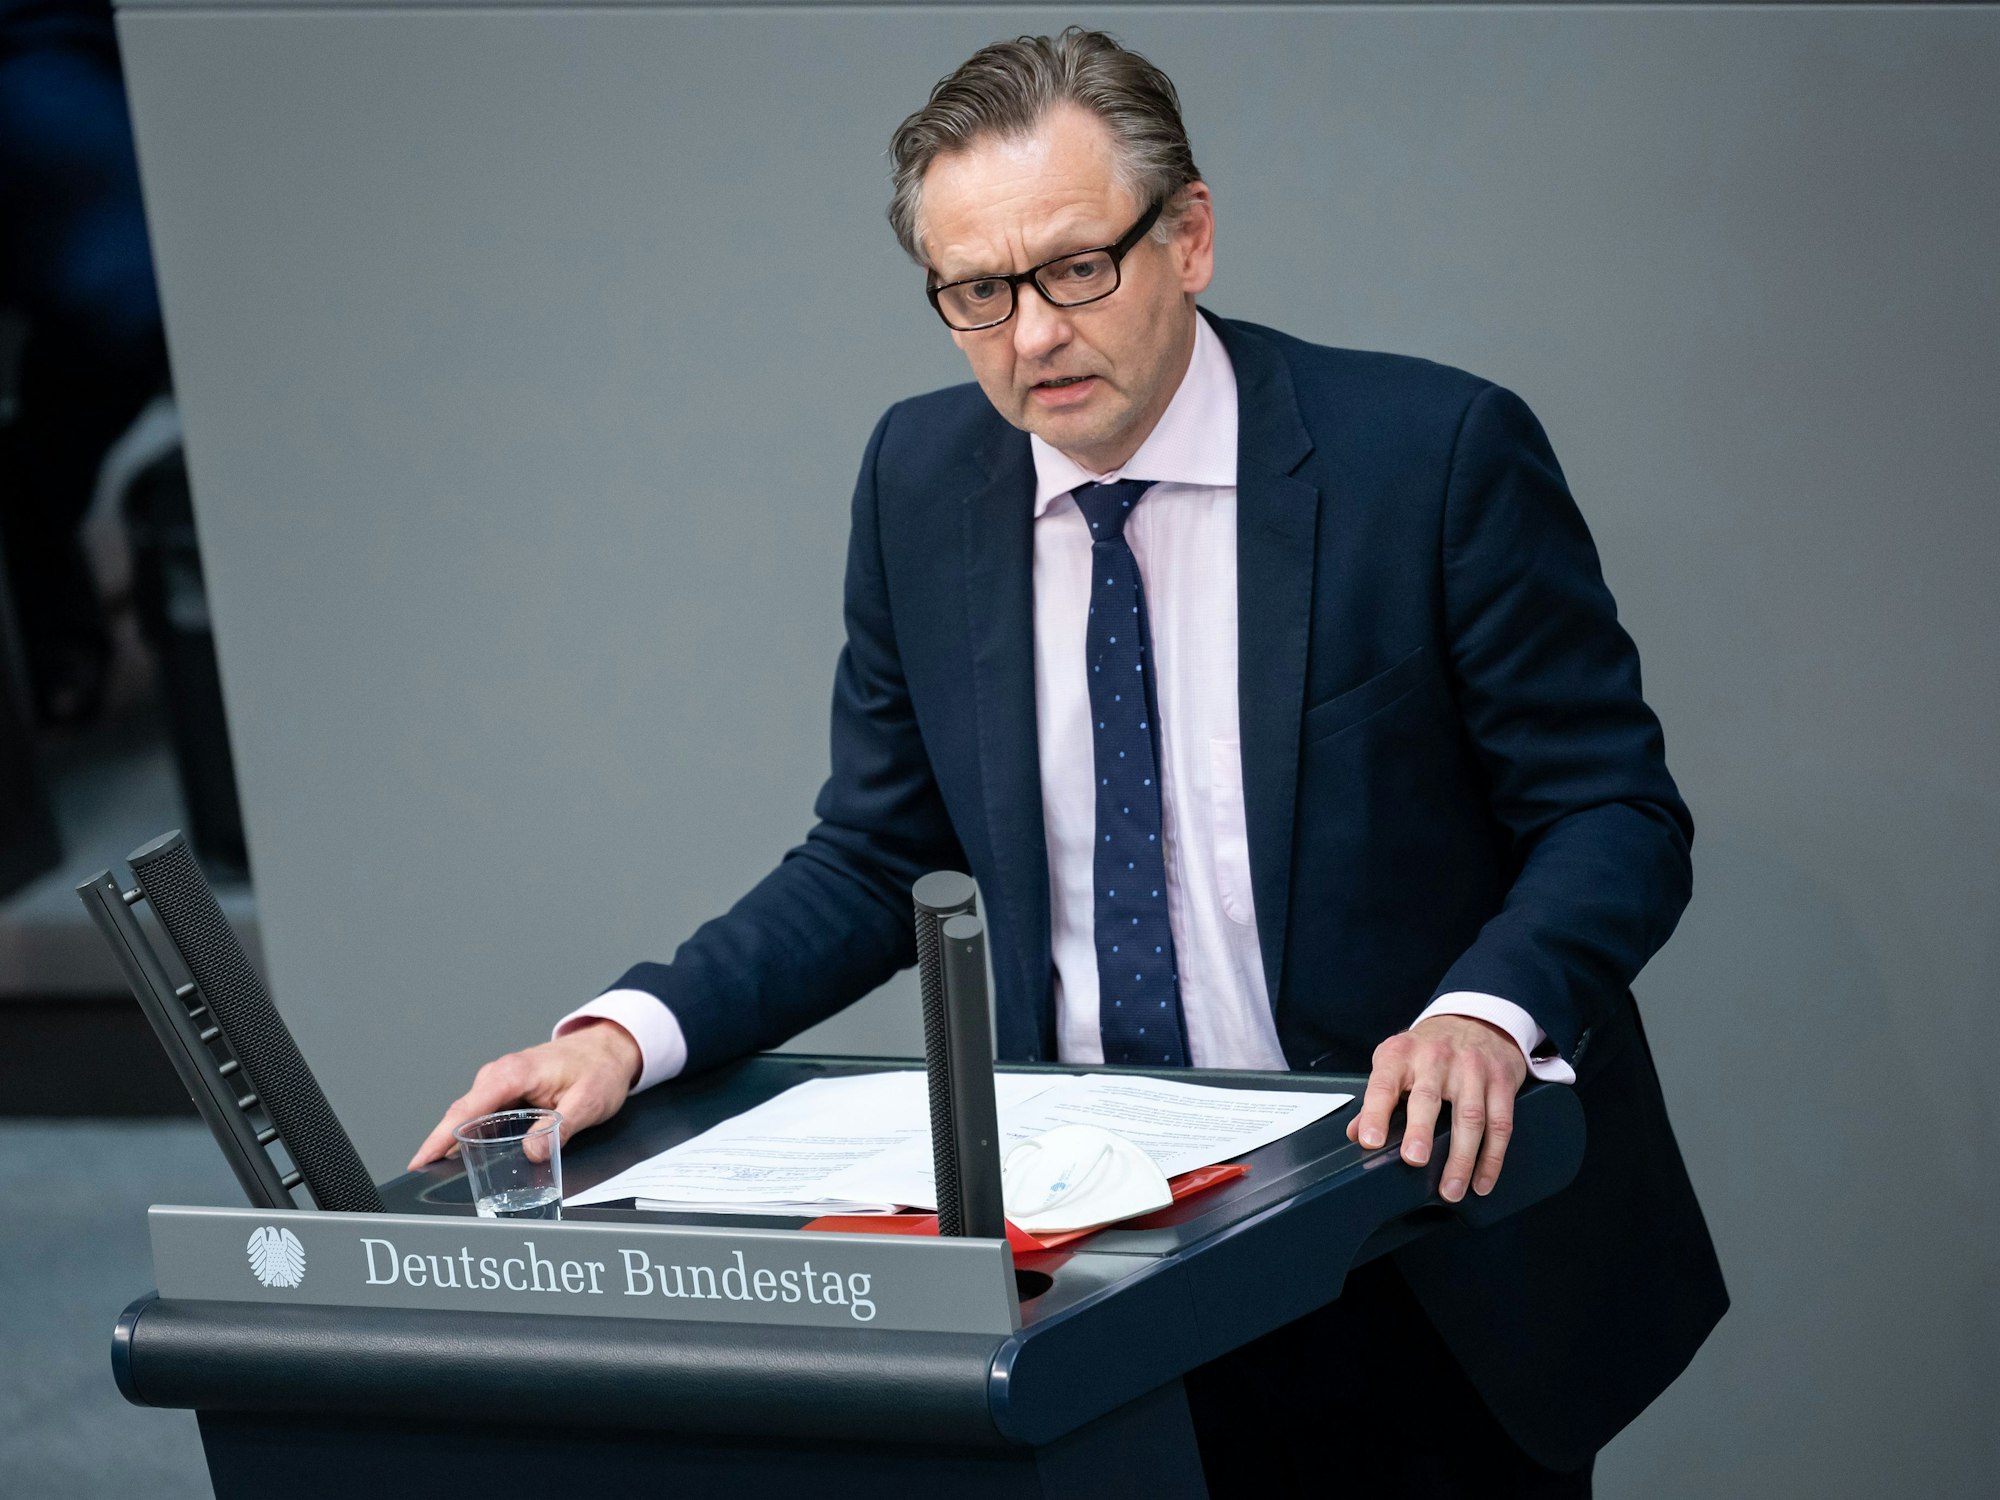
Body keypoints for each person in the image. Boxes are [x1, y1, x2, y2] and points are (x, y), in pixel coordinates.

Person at [413, 28, 1725, 1496]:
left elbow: (1610, 809)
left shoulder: (1429, 455)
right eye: (977, 293)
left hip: (1409, 1235)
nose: (1031, 335)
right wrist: (626, 1036)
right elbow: (872, 853)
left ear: (1191, 237)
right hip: (1096, 1264)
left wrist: (1486, 1014)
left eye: (1074, 270)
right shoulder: (922, 482)